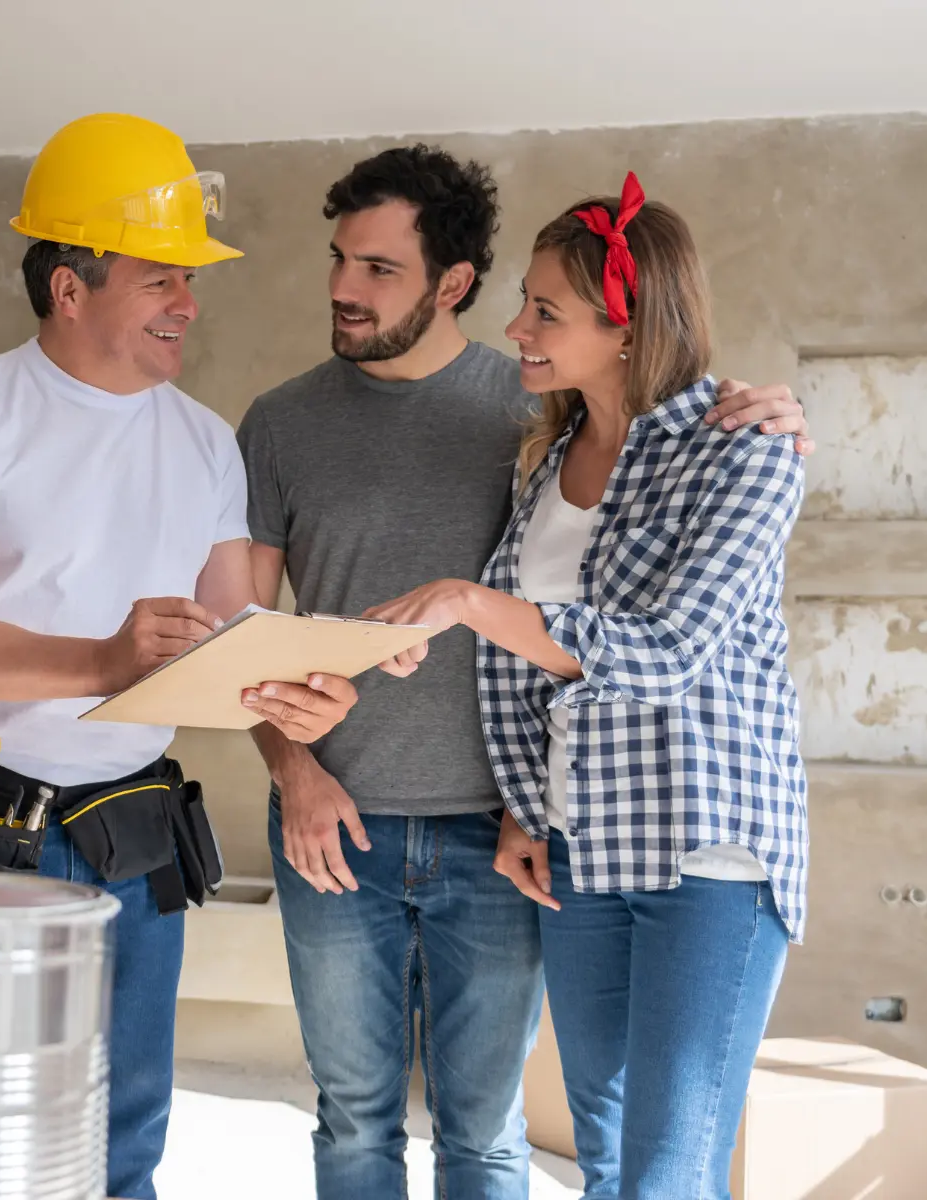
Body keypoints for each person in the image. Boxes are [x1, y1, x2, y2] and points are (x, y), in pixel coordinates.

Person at [237, 147, 812, 1199]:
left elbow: (667, 647)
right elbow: (517, 679)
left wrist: (463, 602)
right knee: (579, 1154)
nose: (521, 331)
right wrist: (519, 802)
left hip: (701, 844)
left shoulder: (699, 439)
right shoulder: (547, 451)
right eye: (339, 261)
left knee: (633, 1165)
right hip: (563, 849)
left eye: (546, 311)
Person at [0, 112, 360, 1200]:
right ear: (70, 288)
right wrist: (104, 663)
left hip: (128, 836)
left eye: (188, 278)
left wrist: (302, 690)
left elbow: (235, 630)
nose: (188, 303)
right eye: (159, 278)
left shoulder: (199, 441)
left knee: (122, 1143)